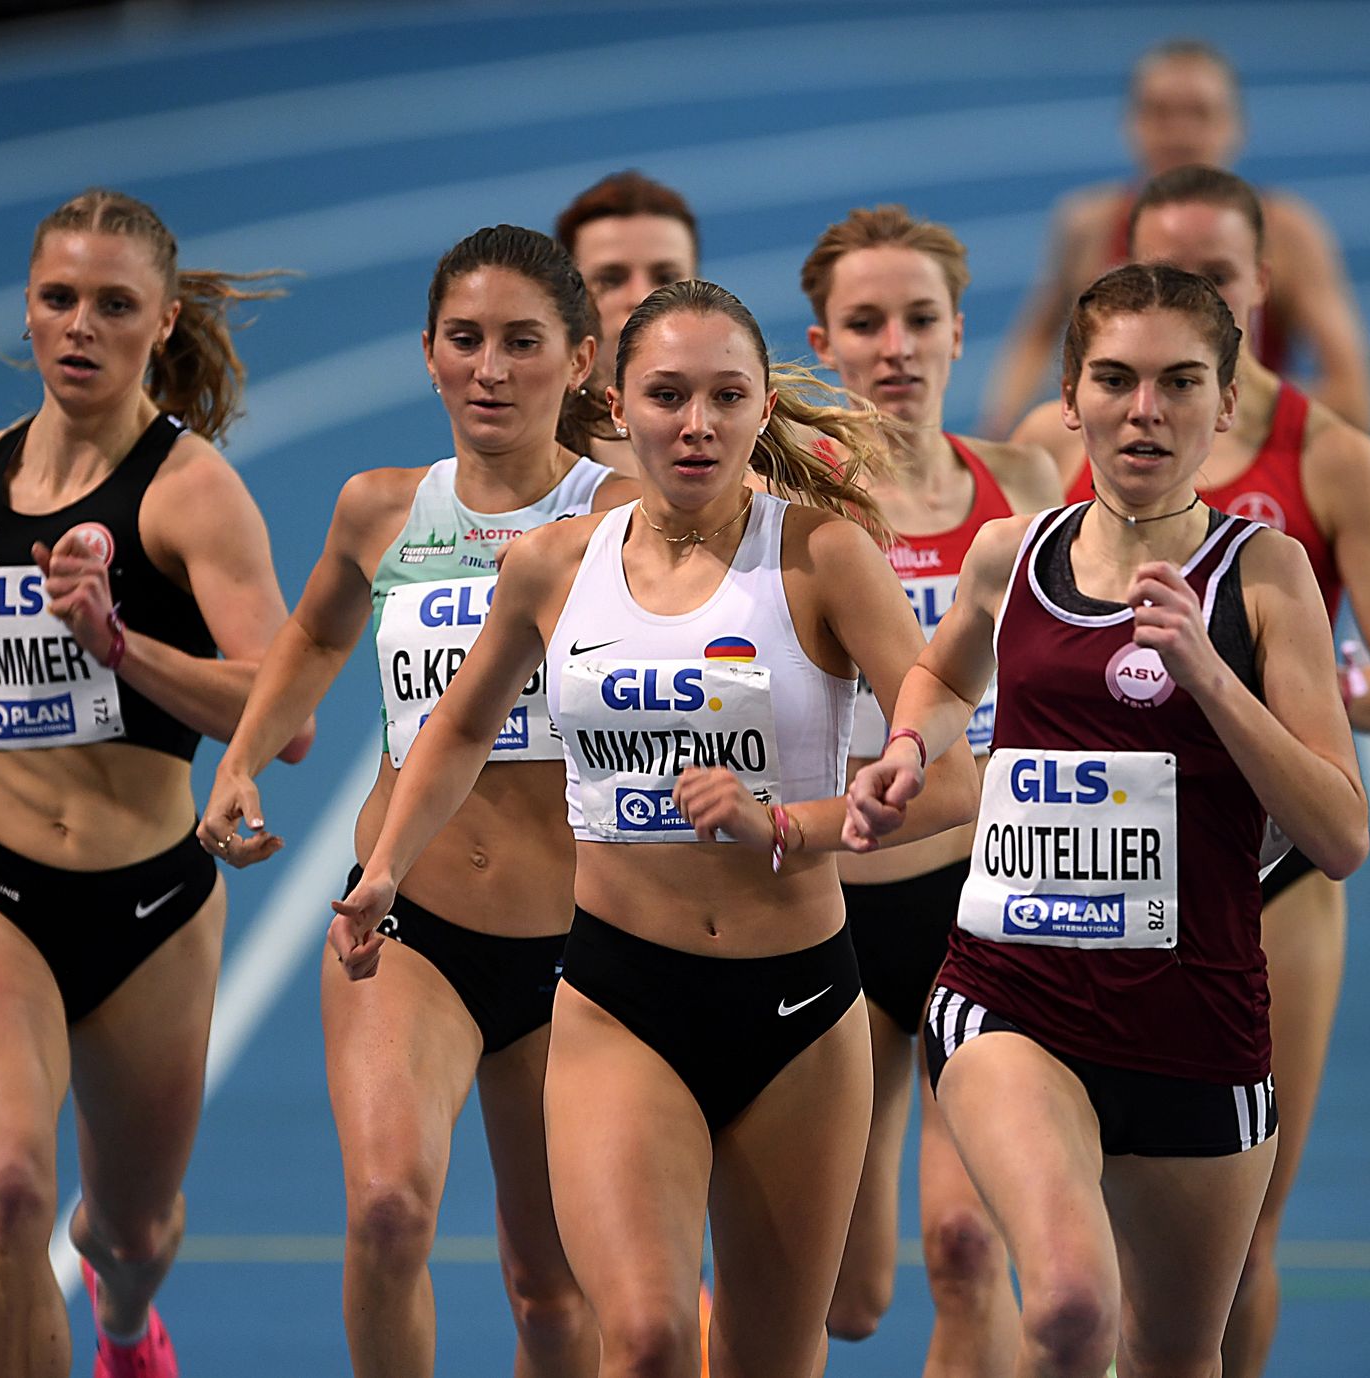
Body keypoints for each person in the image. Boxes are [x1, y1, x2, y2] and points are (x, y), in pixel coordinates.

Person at [333, 279, 980, 1378]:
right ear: (616, 404)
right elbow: (460, 727)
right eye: (668, 395)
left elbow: (953, 781)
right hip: (617, 1000)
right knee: (641, 1340)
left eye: (726, 396)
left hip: (796, 1009)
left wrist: (791, 825)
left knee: (771, 1359)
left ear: (761, 408)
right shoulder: (553, 564)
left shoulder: (822, 557)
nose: (696, 424)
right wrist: (386, 864)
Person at [0, 187, 307, 1378]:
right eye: (59, 298)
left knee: (128, 1233)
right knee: (12, 1186)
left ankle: (126, 1328)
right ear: (26, 311)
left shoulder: (190, 495)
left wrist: (121, 649)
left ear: (163, 321)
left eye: (114, 305)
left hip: (150, 908)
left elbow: (280, 715)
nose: (81, 325)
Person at [851, 262, 1370, 1378]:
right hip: (1012, 999)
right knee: (1070, 1309)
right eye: (1116, 380)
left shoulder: (1264, 574)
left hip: (1198, 1025)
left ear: (1223, 406)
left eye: (1179, 382)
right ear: (1070, 396)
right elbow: (939, 677)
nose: (1145, 410)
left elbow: (1339, 835)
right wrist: (910, 747)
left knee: (1174, 1354)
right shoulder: (1012, 553)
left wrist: (1210, 676)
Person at [1012, 164, 1370, 1378]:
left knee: (1237, 1241)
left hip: (1266, 883)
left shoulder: (1327, 457)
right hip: (1084, 877)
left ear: (1256, 288)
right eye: (1154, 271)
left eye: (1207, 275)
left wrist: (1279, 688)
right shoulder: (1069, 448)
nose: (1179, 292)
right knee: (1063, 1267)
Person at [199, 224, 632, 1378]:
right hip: (405, 922)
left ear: (579, 360)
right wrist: (240, 757)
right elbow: (313, 634)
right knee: (387, 1213)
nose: (489, 368)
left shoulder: (626, 520)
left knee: (550, 1286)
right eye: (464, 339)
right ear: (428, 353)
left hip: (580, 945)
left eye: (522, 342)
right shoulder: (379, 509)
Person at [798, 205, 1057, 1372]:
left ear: (958, 330)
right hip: (833, 911)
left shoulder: (1024, 481)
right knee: (844, 1295)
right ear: (822, 344)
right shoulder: (785, 498)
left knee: (964, 1243)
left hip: (989, 905)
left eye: (918, 319)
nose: (894, 347)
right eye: (865, 323)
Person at [982, 38, 1370, 438]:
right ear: (1131, 124)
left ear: (1236, 126)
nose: (1180, 134)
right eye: (1160, 113)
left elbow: (1355, 401)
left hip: (1241, 448)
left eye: (1199, 114)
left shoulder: (1285, 232)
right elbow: (1034, 342)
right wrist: (1001, 431)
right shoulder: (1090, 225)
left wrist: (1215, 401)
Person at [555, 170, 702, 476]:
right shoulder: (531, 464)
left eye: (665, 277)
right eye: (610, 279)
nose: (641, 297)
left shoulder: (771, 456)